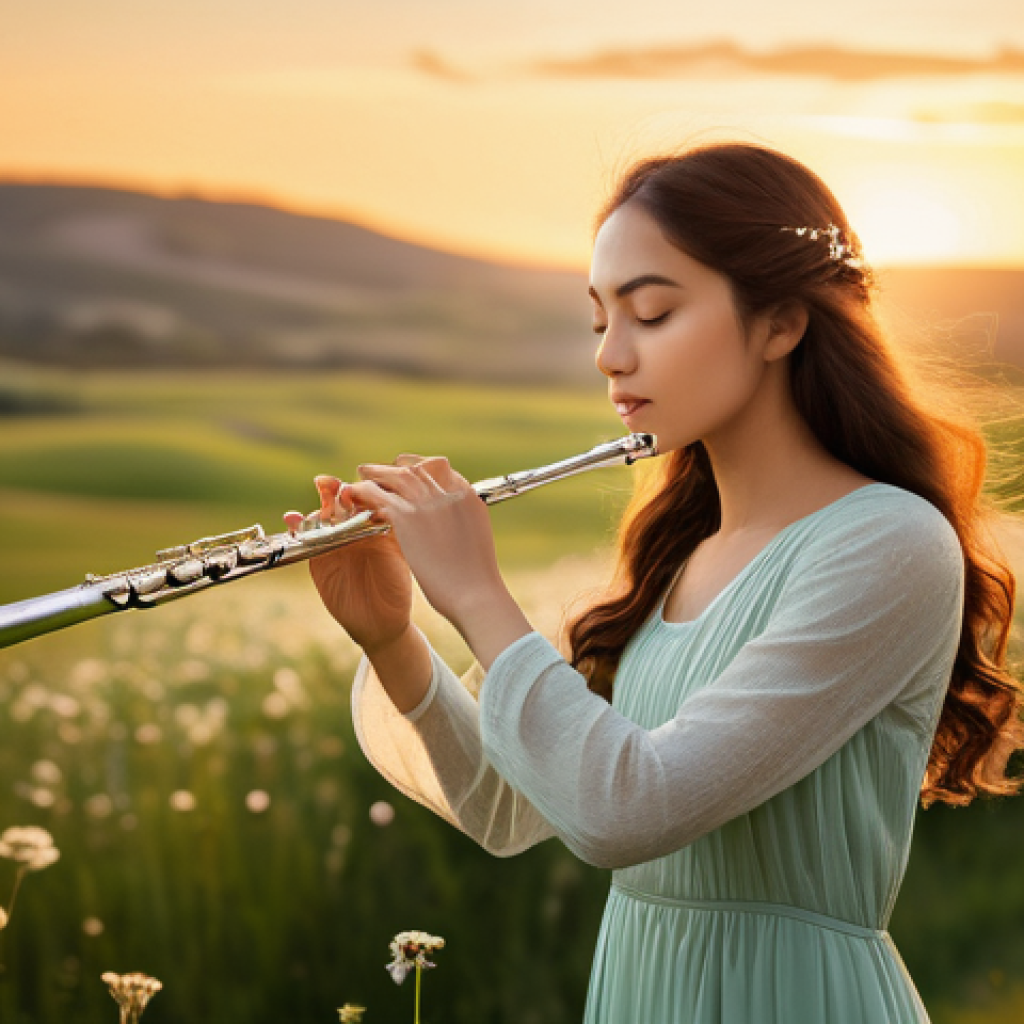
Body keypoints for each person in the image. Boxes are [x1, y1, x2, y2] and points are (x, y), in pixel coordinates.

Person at [304, 142, 1022, 1023]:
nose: (610, 356)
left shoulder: (888, 544)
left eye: (650, 313)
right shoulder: (674, 556)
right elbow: (504, 804)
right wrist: (392, 634)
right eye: (599, 319)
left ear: (780, 324)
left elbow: (629, 810)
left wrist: (478, 595)